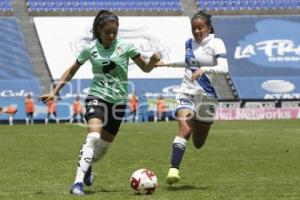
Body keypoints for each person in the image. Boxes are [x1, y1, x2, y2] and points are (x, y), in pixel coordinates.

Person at [38, 10, 161, 196]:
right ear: (99, 31)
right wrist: (55, 91)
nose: (111, 36)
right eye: (107, 32)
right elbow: (72, 70)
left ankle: (87, 167)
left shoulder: (126, 46)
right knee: (93, 137)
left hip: (119, 103)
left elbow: (146, 68)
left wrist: (152, 61)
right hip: (97, 97)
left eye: (115, 32)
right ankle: (77, 184)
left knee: (101, 151)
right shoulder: (91, 48)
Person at [158, 10, 229, 185]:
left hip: (207, 98)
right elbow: (188, 63)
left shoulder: (216, 43)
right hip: (187, 92)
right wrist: (166, 63)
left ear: (209, 27)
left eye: (200, 28)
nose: (197, 31)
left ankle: (200, 120)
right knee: (185, 129)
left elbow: (224, 68)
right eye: (194, 28)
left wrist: (205, 69)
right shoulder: (188, 43)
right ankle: (173, 170)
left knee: (198, 142)